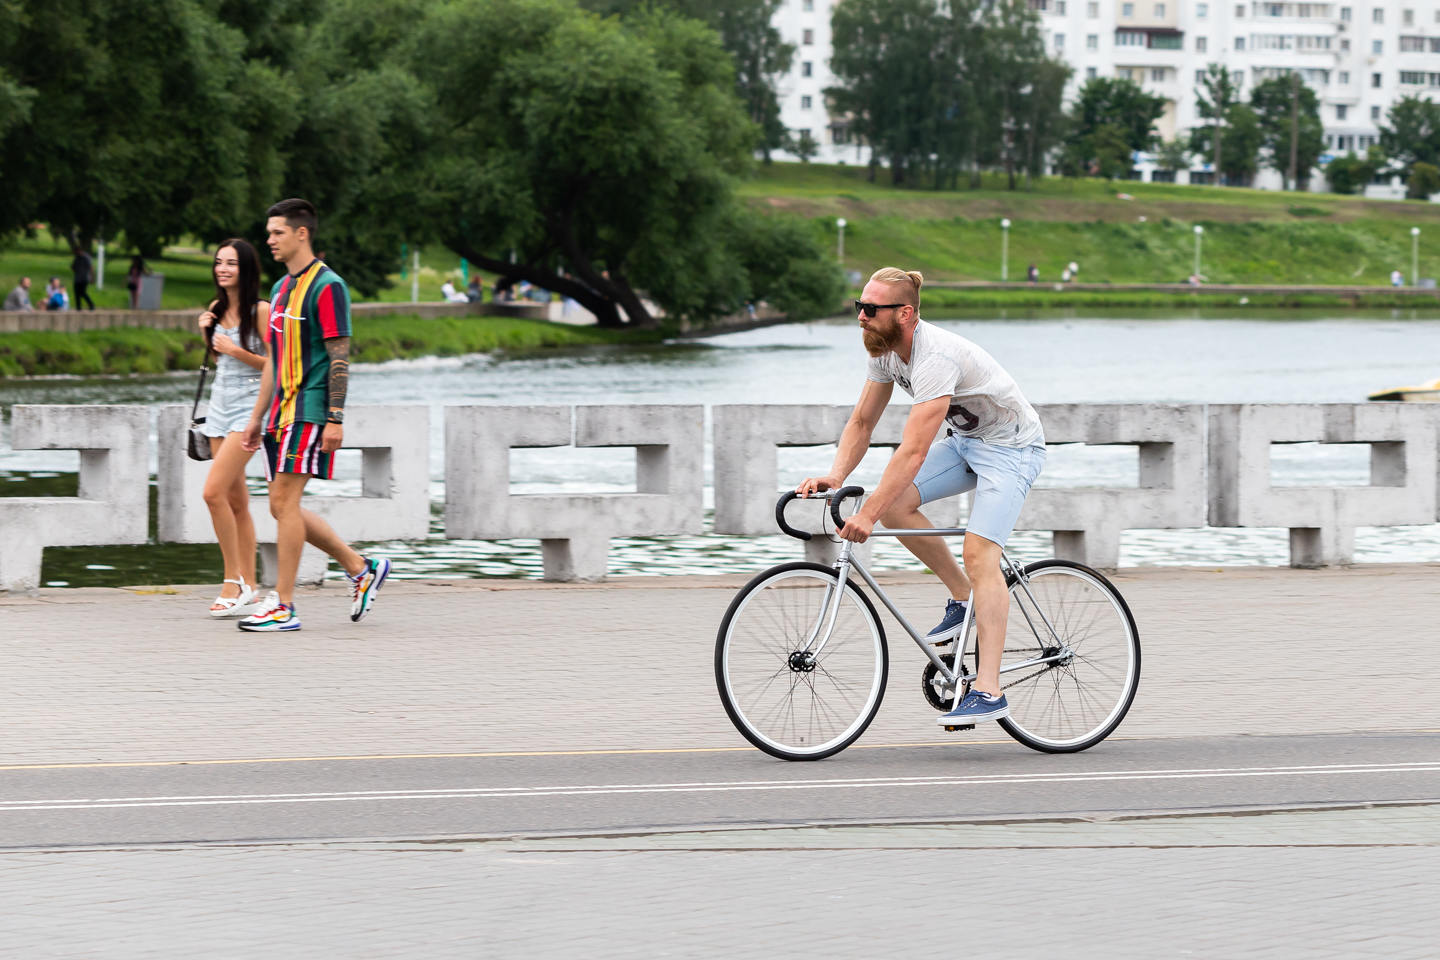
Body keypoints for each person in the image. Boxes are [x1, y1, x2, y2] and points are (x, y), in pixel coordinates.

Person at [797, 267, 1045, 728]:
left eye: (870, 309)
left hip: (1012, 449)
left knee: (980, 552)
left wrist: (866, 515)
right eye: (859, 307)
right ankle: (961, 595)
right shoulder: (885, 350)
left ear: (905, 313)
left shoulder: (935, 358)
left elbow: (912, 450)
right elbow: (862, 423)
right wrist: (836, 474)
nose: (861, 318)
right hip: (969, 442)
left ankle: (989, 690)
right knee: (894, 507)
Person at [238, 198, 390, 632]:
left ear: (301, 233)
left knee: (285, 503)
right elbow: (273, 358)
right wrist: (256, 416)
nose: (269, 240)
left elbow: (339, 356)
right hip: (279, 412)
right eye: (268, 233)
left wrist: (335, 418)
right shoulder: (280, 290)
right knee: (280, 507)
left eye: (277, 233)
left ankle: (283, 606)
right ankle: (361, 568)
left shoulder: (329, 286)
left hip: (311, 407)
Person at [196, 239, 270, 618]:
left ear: (246, 269)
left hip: (249, 410)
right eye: (218, 262)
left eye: (231, 263)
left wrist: (236, 350)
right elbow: (217, 359)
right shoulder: (216, 307)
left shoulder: (261, 310)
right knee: (237, 503)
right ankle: (252, 587)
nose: (222, 268)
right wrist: (207, 334)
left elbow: (277, 364)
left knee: (212, 493)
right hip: (219, 409)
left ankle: (232, 581)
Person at [70, 245, 96, 311]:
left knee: (82, 292)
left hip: (85, 278)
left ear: (79, 251)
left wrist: (92, 278)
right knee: (76, 293)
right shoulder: (77, 258)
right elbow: (73, 267)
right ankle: (78, 307)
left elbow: (91, 268)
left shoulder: (86, 257)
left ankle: (91, 305)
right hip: (77, 278)